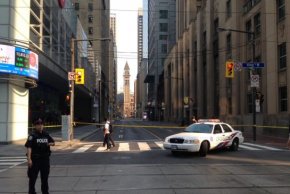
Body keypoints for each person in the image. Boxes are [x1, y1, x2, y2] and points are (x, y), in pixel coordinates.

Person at [25, 118, 55, 194]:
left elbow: (53, 142)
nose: (40, 126)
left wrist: (48, 144)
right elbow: (29, 147)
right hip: (35, 160)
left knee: (45, 178)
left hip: (45, 159)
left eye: (41, 124)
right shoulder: (32, 136)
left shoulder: (46, 134)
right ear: (35, 126)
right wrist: (29, 159)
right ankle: (32, 192)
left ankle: (45, 192)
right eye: (38, 125)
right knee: (32, 178)